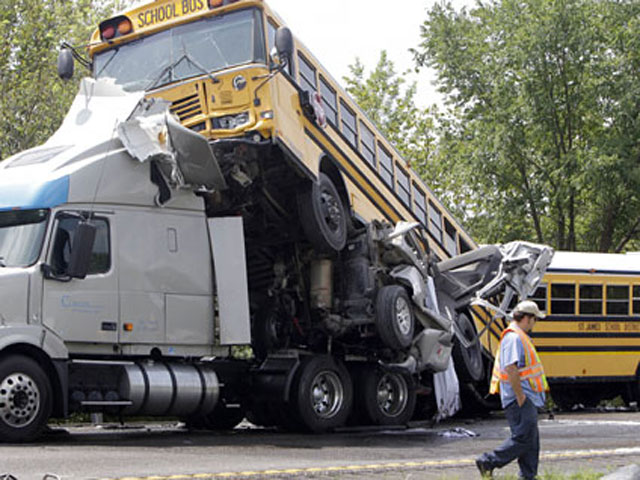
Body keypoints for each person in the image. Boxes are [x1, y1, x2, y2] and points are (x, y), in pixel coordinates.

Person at [476, 300, 549, 479]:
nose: (535, 324)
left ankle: (528, 475)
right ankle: (488, 461)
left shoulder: (519, 336)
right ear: (527, 318)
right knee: (523, 439)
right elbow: (511, 368)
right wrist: (520, 396)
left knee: (531, 441)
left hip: (526, 397)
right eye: (535, 320)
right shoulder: (514, 337)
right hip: (520, 398)